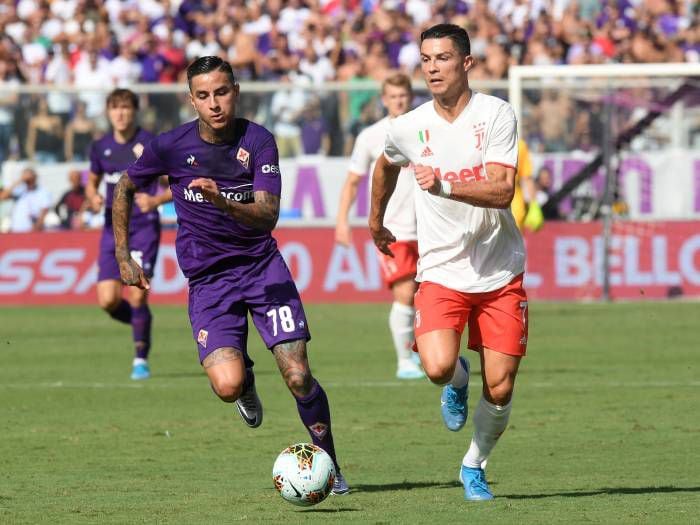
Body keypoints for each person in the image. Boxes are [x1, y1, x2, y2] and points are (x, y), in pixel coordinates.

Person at [111, 56, 349, 495]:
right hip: (208, 281)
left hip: (262, 270)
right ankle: (246, 386)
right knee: (227, 385)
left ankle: (330, 463)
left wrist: (223, 203)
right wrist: (124, 256)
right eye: (203, 95)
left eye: (221, 92)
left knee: (298, 374)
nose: (214, 103)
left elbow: (268, 215)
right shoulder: (171, 145)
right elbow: (125, 186)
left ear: (235, 91)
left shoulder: (259, 141)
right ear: (192, 99)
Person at [369, 24, 528, 501]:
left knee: (499, 390)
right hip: (440, 269)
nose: (433, 67)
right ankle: (457, 377)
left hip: (499, 271)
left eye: (442, 58)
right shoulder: (408, 126)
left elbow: (503, 191)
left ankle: (473, 464)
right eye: (426, 59)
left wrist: (443, 185)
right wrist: (376, 222)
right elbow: (385, 165)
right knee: (437, 367)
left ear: (466, 63)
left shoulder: (497, 114)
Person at [335, 72, 423, 380]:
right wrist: (342, 221)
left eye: (403, 96)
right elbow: (352, 182)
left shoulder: (425, 128)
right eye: (393, 97)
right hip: (393, 230)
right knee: (406, 292)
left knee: (427, 296)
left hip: (430, 229)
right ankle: (405, 361)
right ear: (384, 100)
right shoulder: (371, 136)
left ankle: (423, 354)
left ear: (410, 97)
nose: (399, 101)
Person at [86, 88, 169, 381]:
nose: (120, 114)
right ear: (108, 112)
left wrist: (157, 200)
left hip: (144, 227)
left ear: (135, 111)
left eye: (125, 108)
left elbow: (176, 183)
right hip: (112, 229)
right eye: (115, 108)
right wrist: (92, 196)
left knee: (137, 295)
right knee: (107, 301)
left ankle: (140, 359)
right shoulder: (100, 146)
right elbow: (92, 180)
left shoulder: (149, 144)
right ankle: (141, 323)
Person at [0, 167, 52, 232]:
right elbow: (2, 197)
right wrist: (19, 181)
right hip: (15, 229)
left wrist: (37, 227)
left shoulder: (43, 192)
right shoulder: (20, 190)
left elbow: (44, 211)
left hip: (31, 230)